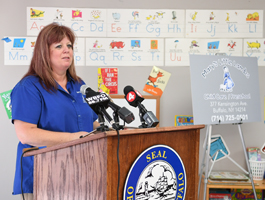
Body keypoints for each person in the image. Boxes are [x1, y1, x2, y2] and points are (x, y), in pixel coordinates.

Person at [10, 23, 99, 200]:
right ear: (44, 52)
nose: (67, 50)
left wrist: (110, 132)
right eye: (59, 46)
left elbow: (92, 122)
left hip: (82, 173)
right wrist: (75, 138)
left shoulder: (79, 85)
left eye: (69, 46)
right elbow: (25, 134)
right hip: (44, 176)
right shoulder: (28, 87)